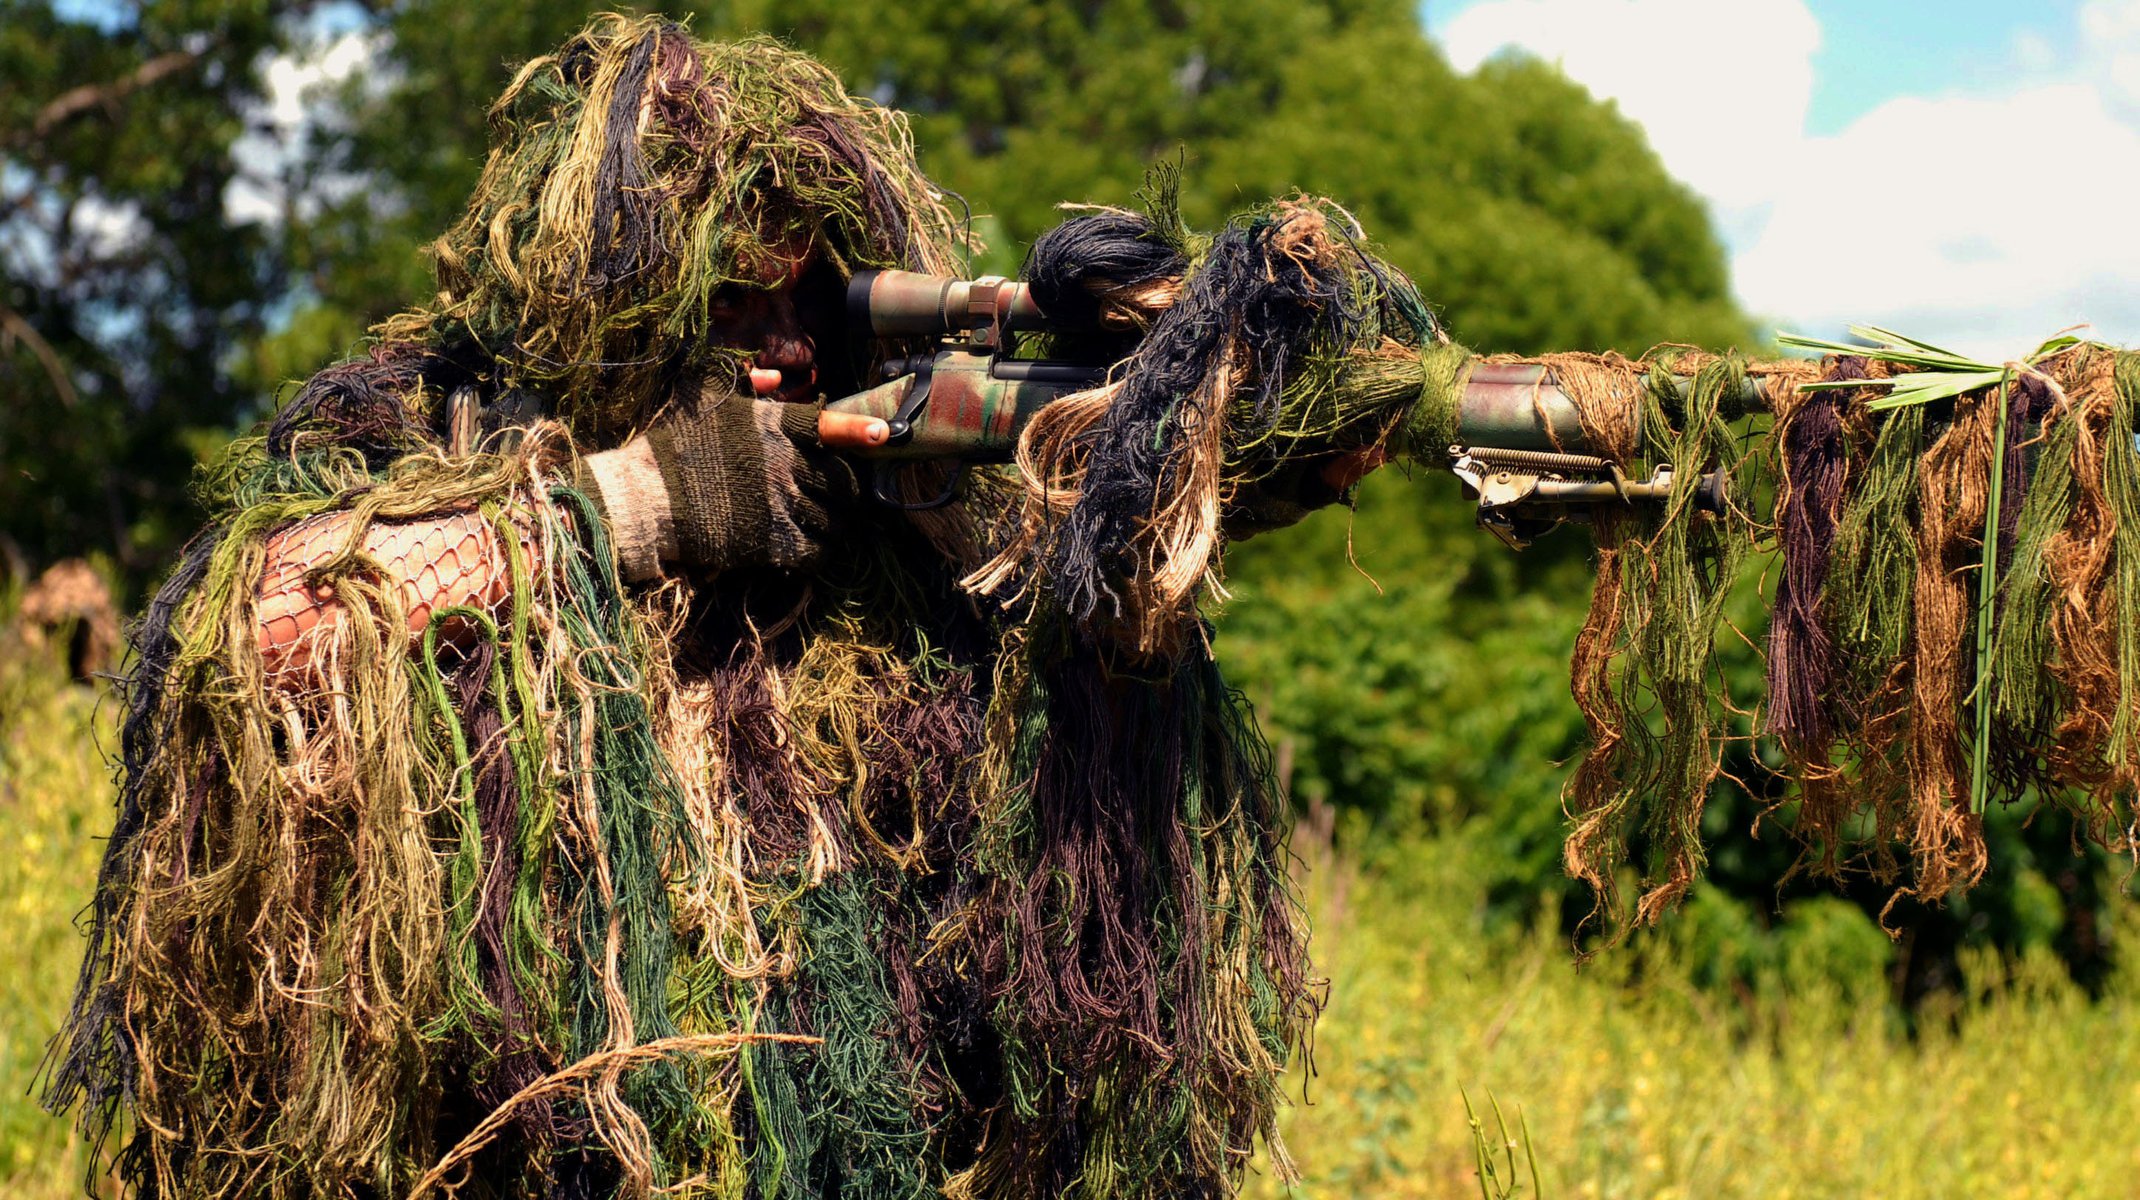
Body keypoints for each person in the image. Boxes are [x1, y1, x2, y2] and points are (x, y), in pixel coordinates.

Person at [47, 15, 1436, 1200]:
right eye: (726, 295)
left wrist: (1164, 496)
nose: (776, 340)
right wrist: (634, 504)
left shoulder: (897, 532)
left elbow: (1081, 828)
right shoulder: (431, 422)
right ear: (604, 296)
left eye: (810, 293)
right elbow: (263, 640)